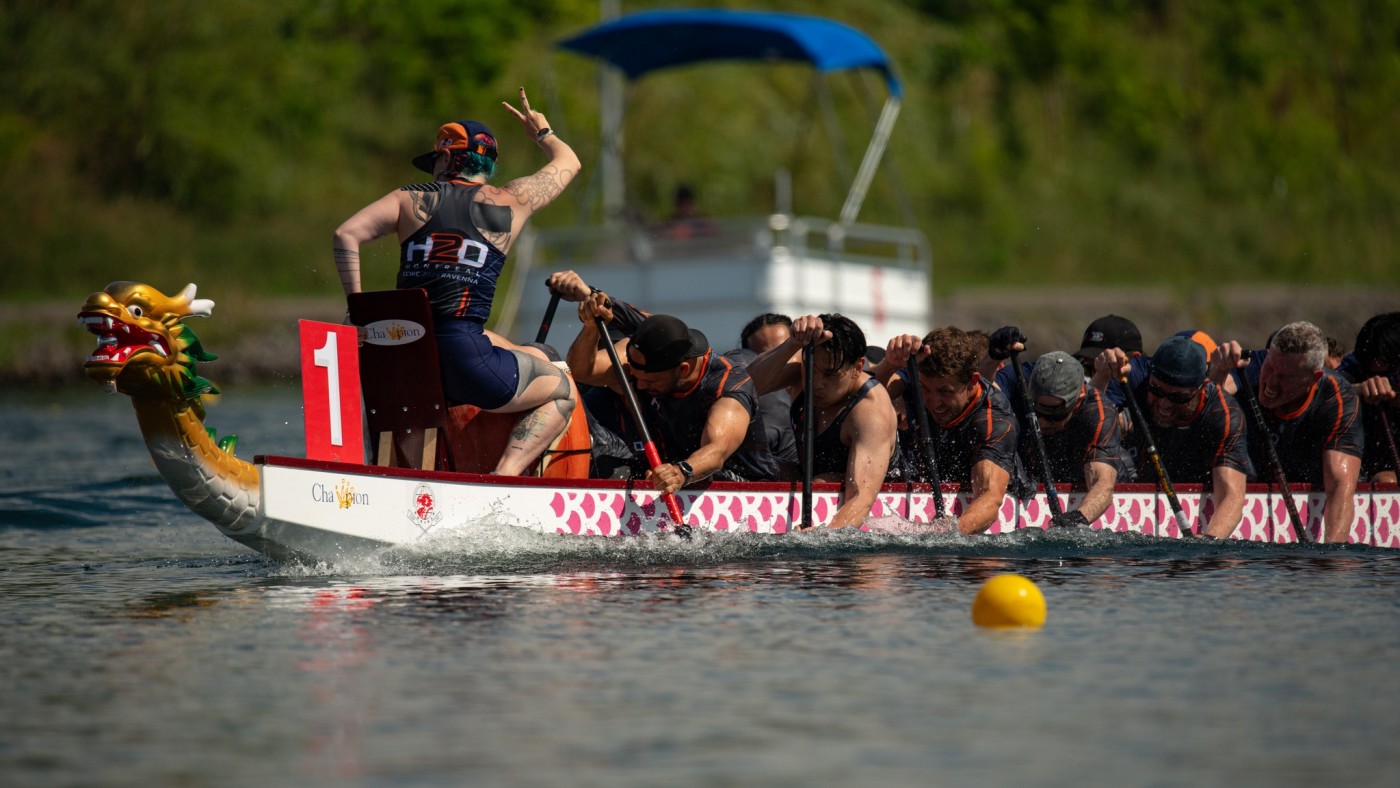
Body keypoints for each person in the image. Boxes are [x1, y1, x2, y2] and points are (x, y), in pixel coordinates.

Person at [333, 89, 581, 476]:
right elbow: (570, 162)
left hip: (403, 358)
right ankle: (504, 479)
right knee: (563, 389)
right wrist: (541, 131)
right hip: (466, 360)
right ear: (489, 165)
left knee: (396, 423)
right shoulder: (513, 200)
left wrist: (359, 311)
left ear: (446, 157)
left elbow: (346, 235)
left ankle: (394, 483)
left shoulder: (408, 199)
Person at [567, 294, 778, 494]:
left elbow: (716, 451)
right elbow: (579, 371)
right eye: (636, 378)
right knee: (605, 464)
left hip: (739, 485)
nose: (639, 386)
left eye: (649, 381)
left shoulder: (728, 385)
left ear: (683, 369)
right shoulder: (641, 357)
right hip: (672, 472)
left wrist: (680, 473)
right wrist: (590, 329)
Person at [1213, 321, 1364, 543]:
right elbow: (1212, 395)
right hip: (1249, 478)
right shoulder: (1251, 366)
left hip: (1308, 478)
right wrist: (1217, 370)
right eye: (1270, 368)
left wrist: (1333, 558)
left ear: (1313, 378)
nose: (1271, 383)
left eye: (1284, 377)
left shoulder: (1337, 397)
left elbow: (1340, 487)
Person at [747, 314, 899, 529]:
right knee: (747, 462)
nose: (816, 383)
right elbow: (745, 386)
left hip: (879, 495)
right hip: (811, 477)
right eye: (812, 370)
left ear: (857, 367)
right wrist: (793, 343)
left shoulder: (870, 409)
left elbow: (860, 499)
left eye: (830, 375)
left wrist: (823, 537)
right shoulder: (805, 368)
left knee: (823, 479)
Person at [875, 327, 1020, 535]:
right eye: (925, 388)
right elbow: (864, 398)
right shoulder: (916, 375)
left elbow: (989, 499)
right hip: (924, 481)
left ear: (972, 382)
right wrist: (889, 364)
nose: (933, 402)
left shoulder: (994, 418)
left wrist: (944, 534)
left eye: (945, 391)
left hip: (999, 504)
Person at [1108, 335, 1251, 539]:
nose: (1164, 404)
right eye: (1157, 391)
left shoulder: (1224, 413)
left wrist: (1209, 541)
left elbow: (1231, 496)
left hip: (1203, 481)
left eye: (1178, 397)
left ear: (1202, 387)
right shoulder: (1136, 379)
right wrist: (1102, 378)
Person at [1019, 349, 1134, 528]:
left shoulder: (1099, 413)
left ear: (1078, 399)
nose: (1043, 422)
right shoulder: (1017, 386)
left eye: (1055, 416)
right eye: (1039, 413)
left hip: (1093, 476)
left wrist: (1078, 517)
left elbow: (1103, 484)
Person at [1340, 312, 1400, 483]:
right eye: (1372, 374)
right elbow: (1320, 393)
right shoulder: (1354, 366)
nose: (1380, 383)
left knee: (1386, 480)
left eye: (1391, 376)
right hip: (1367, 474)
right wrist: (1355, 391)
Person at [737, 312, 801, 464]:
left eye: (786, 348)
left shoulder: (822, 383)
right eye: (768, 356)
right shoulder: (751, 401)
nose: (781, 359)